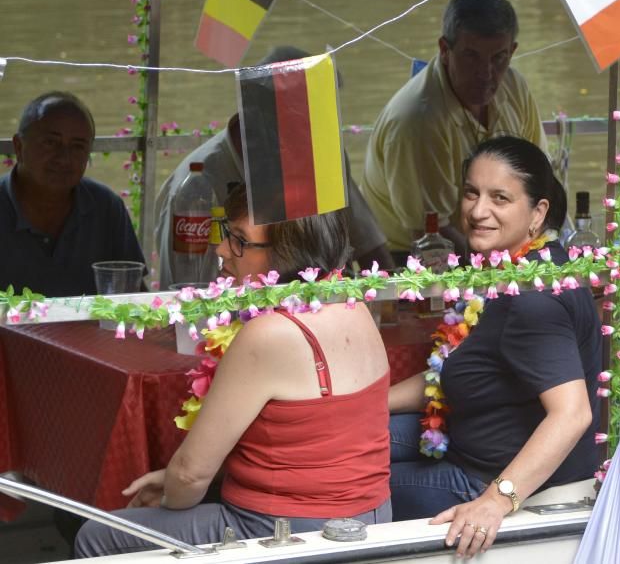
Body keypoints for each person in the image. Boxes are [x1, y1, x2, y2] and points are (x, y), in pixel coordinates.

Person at [75, 184, 390, 557]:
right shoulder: (354, 304)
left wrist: (170, 499)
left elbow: (191, 473)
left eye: (240, 240)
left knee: (96, 536)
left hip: (286, 532)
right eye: (228, 234)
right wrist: (176, 484)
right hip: (371, 518)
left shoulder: (270, 334)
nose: (222, 250)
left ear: (286, 254)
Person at [388, 137, 599, 558]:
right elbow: (456, 373)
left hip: (485, 477)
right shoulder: (524, 268)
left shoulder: (533, 298)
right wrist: (358, 405)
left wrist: (496, 500)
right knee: (351, 436)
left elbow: (573, 413)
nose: (477, 211)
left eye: (499, 198)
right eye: (471, 193)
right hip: (462, 437)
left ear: (538, 212)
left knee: (338, 474)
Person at [153, 46, 393, 288]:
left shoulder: (319, 155)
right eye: (299, 121)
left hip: (317, 306)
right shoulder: (195, 185)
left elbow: (370, 247)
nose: (311, 136)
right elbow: (178, 292)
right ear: (256, 115)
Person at [361, 0, 547, 259]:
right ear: (445, 50)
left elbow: (539, 179)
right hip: (418, 256)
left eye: (499, 58)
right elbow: (432, 233)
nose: (486, 74)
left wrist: (538, 245)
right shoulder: (417, 121)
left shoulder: (515, 87)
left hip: (499, 240)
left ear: (512, 51)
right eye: (472, 56)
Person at [0, 91, 145, 297]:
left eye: (77, 146)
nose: (63, 158)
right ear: (19, 146)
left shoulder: (106, 207)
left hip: (88, 330)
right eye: (50, 143)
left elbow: (134, 295)